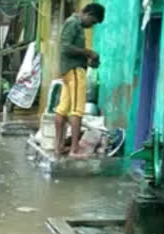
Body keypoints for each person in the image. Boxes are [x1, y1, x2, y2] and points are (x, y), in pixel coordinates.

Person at [54, 3, 105, 157]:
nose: (92, 26)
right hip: (74, 71)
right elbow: (65, 47)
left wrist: (88, 59)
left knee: (62, 109)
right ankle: (75, 149)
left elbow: (69, 49)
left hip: (70, 69)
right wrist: (87, 52)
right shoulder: (74, 23)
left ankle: (59, 147)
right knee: (77, 110)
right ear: (87, 13)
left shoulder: (74, 24)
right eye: (93, 21)